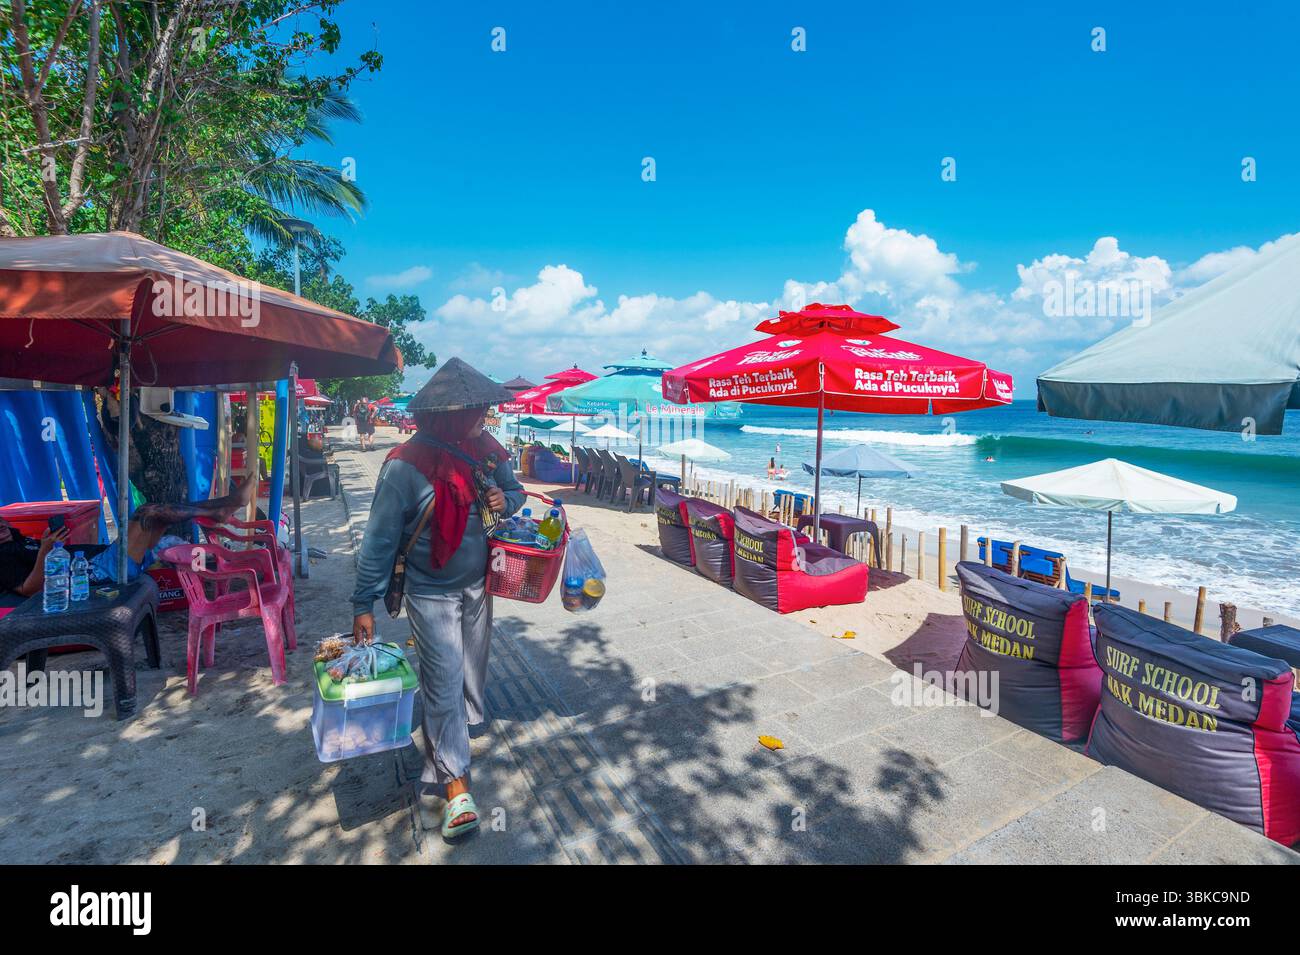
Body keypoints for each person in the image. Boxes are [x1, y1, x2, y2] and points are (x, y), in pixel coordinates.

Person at [350, 358, 524, 839]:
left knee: (472, 668)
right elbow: (379, 540)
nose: (483, 418)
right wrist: (363, 602)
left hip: (479, 584)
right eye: (475, 410)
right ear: (447, 414)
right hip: (429, 591)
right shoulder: (405, 467)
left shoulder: (488, 452)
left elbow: (517, 492)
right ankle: (455, 784)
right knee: (442, 679)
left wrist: (504, 502)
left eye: (485, 409)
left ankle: (455, 735)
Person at [0, 477, 253, 607]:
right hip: (98, 571)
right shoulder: (3, 556)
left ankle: (222, 506)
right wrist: (46, 550)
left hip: (101, 559)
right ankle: (221, 509)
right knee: (148, 512)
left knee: (160, 517)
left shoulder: (21, 542)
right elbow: (29, 589)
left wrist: (49, 544)